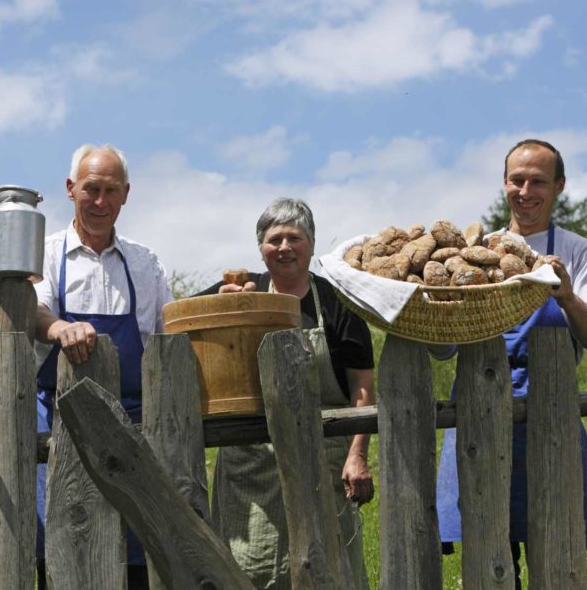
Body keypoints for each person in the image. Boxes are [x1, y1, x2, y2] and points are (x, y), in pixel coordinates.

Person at [435, 140, 587, 588]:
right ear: (504, 183)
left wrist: (568, 297)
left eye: (538, 181)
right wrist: (438, 310)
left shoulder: (578, 252)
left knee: (556, 556)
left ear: (559, 187)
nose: (525, 190)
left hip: (550, 424)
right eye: (517, 179)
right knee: (490, 564)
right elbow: (444, 350)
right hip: (477, 422)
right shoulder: (475, 254)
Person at [198, 198, 375, 590]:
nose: (284, 248)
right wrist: (219, 313)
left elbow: (362, 386)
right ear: (260, 249)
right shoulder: (237, 291)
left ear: (311, 245)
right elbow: (177, 328)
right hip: (250, 468)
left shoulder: (337, 303)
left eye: (294, 238)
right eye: (273, 239)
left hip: (322, 461)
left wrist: (356, 453)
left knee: (329, 567)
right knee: (249, 570)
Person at [33, 143, 172, 589]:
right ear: (71, 189)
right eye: (91, 189)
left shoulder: (144, 261)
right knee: (62, 550)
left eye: (111, 191)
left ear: (126, 195)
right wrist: (58, 329)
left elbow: (170, 331)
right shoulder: (46, 253)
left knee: (137, 552)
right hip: (60, 424)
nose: (100, 202)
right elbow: (28, 307)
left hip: (133, 427)